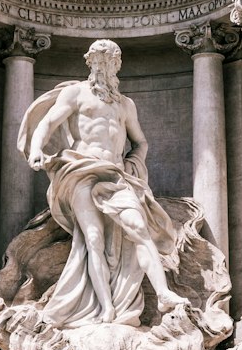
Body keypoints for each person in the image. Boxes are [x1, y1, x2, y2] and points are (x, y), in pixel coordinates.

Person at [19, 38, 186, 327]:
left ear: (117, 67)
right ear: (90, 63)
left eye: (110, 62)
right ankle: (106, 309)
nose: (104, 67)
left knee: (139, 229)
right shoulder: (76, 93)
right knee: (93, 239)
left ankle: (163, 294)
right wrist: (36, 149)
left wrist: (134, 165)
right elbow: (47, 123)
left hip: (117, 175)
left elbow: (140, 141)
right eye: (99, 61)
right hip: (81, 169)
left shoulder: (125, 104)